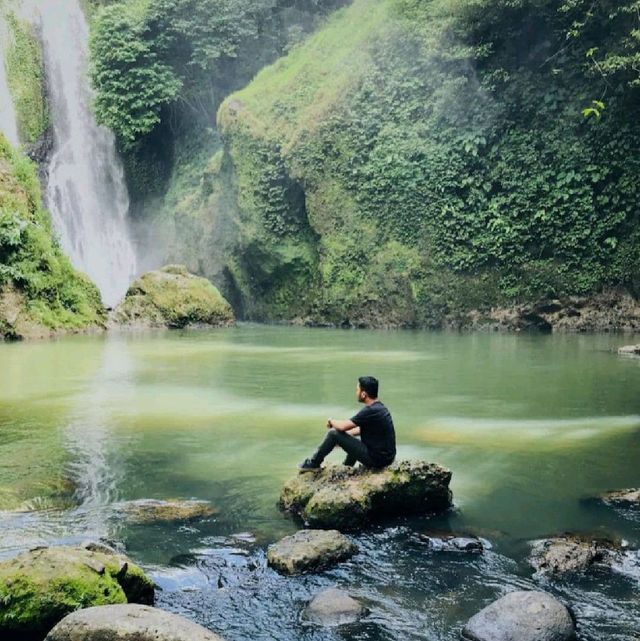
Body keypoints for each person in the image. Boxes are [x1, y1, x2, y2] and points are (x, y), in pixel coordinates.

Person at [298, 376, 396, 472]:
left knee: (333, 434)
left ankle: (313, 463)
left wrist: (331, 421)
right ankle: (347, 467)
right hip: (386, 458)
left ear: (363, 394)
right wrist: (344, 439)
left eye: (357, 390)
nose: (356, 392)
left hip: (377, 461)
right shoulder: (380, 408)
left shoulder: (370, 410)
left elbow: (342, 427)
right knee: (352, 440)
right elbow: (362, 430)